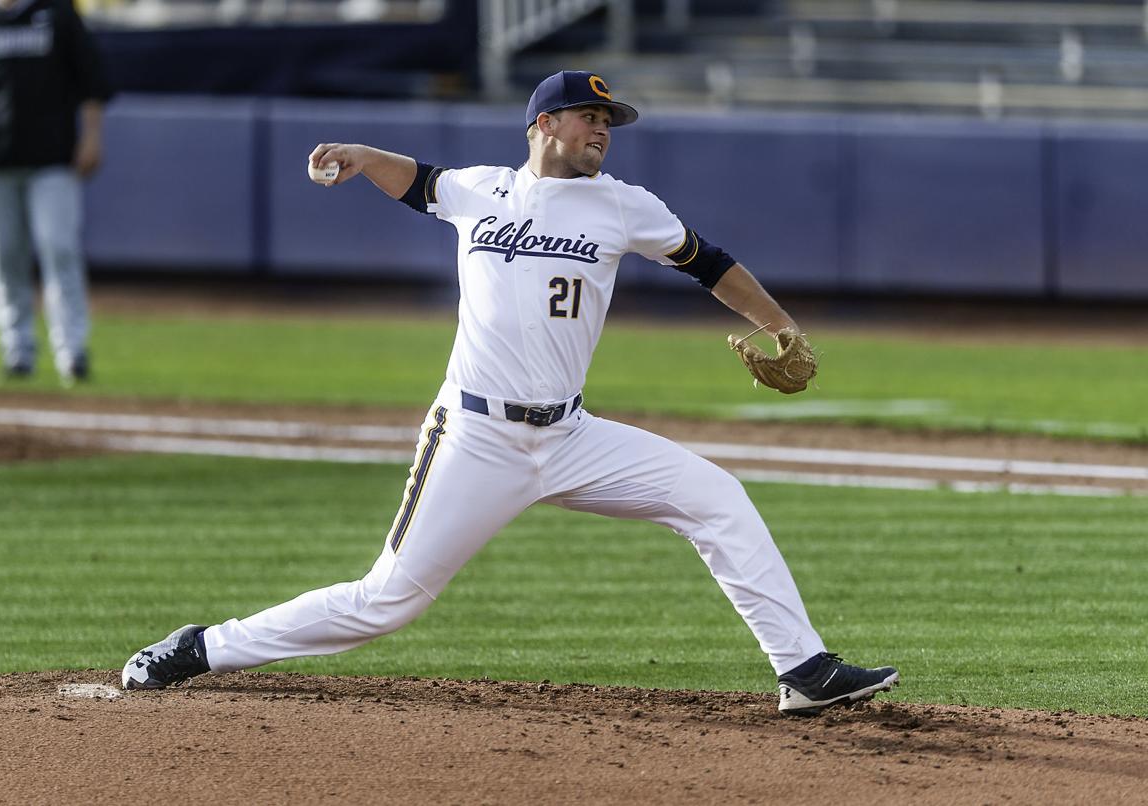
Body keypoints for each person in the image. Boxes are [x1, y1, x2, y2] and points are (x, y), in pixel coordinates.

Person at [121, 71, 899, 716]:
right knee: (387, 600)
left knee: (717, 498)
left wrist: (782, 325)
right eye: (590, 117)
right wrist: (362, 153)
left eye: (609, 121)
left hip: (572, 438)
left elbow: (710, 264)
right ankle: (202, 647)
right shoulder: (479, 191)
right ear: (544, 124)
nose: (603, 131)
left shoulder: (626, 205)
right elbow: (419, 181)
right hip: (476, 437)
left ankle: (803, 669)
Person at [0, 0, 112, 384]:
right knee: (4, 255)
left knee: (59, 247)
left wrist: (92, 137)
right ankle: (17, 347)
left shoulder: (57, 13)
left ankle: (71, 349)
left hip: (53, 158)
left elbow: (90, 81)